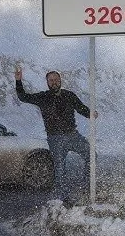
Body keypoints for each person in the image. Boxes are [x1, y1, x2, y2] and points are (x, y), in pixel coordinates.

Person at [15, 67, 98, 195]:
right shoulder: (43, 97)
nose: (54, 82)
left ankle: (87, 187)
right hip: (55, 139)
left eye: (56, 79)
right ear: (47, 82)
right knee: (60, 169)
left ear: (60, 81)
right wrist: (18, 81)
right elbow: (23, 97)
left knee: (92, 155)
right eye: (51, 80)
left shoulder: (69, 95)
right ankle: (63, 198)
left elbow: (81, 108)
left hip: (72, 135)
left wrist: (91, 114)